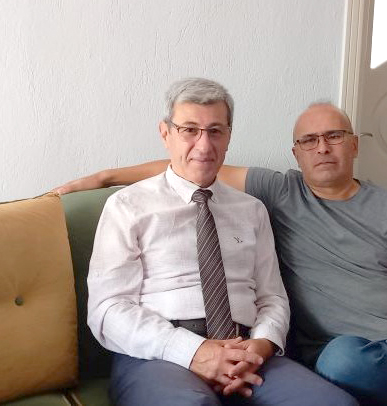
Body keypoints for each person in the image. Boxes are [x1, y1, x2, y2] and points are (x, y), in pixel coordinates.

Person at [62, 99, 387, 406]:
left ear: (354, 145)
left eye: (334, 136)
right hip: (346, 350)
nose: (322, 148)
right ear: (296, 152)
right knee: (341, 364)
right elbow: (196, 162)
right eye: (309, 140)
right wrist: (103, 178)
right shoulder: (279, 191)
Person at [86, 78, 358, 406]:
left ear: (228, 136)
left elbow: (272, 296)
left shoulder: (252, 210)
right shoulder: (127, 206)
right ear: (165, 133)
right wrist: (193, 351)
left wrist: (262, 344)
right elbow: (107, 309)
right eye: (190, 130)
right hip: (158, 354)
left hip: (246, 351)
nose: (204, 145)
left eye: (215, 131)